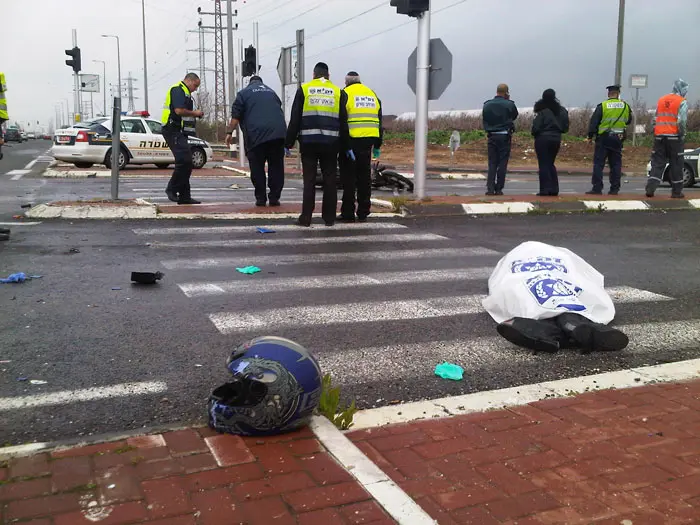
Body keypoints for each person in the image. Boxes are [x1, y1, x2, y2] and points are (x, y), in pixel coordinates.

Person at [483, 241, 629, 354]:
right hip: (556, 278)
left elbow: (501, 278)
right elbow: (581, 271)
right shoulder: (559, 254)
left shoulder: (514, 256)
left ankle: (551, 334)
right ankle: (572, 325)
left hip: (530, 278)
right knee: (568, 297)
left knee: (528, 297)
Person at [285, 62, 350, 227]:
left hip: (309, 143)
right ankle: (329, 218)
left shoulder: (305, 89)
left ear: (314, 75)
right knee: (330, 180)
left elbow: (295, 119)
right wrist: (346, 145)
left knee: (309, 180)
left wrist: (288, 142)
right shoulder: (338, 92)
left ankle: (306, 217)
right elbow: (343, 121)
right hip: (331, 143)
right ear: (328, 76)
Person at [225, 76, 287, 207]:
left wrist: (229, 133)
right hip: (278, 134)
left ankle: (261, 199)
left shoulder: (243, 93)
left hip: (256, 135)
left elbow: (235, 116)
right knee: (276, 167)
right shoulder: (272, 92)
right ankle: (274, 198)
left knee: (257, 167)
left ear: (250, 83)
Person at [338, 71, 383, 223]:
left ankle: (348, 213)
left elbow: (342, 121)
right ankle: (363, 211)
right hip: (368, 141)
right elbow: (379, 120)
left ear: (346, 82)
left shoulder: (345, 93)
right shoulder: (372, 94)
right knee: (364, 178)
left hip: (351, 142)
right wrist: (377, 144)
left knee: (349, 178)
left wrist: (343, 143)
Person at [161, 72, 204, 205]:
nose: (195, 89)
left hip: (180, 131)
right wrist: (195, 113)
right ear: (190, 81)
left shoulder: (186, 93)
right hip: (172, 129)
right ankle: (171, 188)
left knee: (187, 162)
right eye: (195, 86)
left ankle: (185, 196)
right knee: (184, 160)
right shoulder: (178, 90)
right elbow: (179, 110)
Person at [645, 79, 689, 199]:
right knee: (676, 163)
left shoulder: (661, 100)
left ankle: (651, 187)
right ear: (682, 89)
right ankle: (676, 192)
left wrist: (656, 132)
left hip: (659, 137)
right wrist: (682, 134)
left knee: (657, 163)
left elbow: (655, 119)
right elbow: (682, 121)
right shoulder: (682, 102)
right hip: (674, 138)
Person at [586, 84, 631, 195]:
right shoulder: (625, 106)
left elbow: (594, 122)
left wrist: (590, 136)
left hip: (604, 138)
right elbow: (628, 120)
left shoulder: (603, 106)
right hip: (618, 139)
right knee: (616, 164)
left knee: (598, 163)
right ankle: (614, 189)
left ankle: (597, 188)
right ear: (618, 94)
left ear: (608, 93)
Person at [531, 89, 569, 196]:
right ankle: (554, 188)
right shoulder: (561, 110)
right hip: (556, 138)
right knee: (550, 163)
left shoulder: (542, 110)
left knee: (543, 164)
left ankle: (545, 189)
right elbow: (565, 127)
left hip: (542, 138)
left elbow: (536, 127)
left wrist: (534, 133)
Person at [482, 83, 518, 196]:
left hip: (491, 136)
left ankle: (490, 188)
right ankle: (499, 188)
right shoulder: (509, 104)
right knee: (502, 162)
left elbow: (485, 118)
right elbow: (514, 115)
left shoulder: (487, 105)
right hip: (504, 136)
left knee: (492, 163)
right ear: (506, 92)